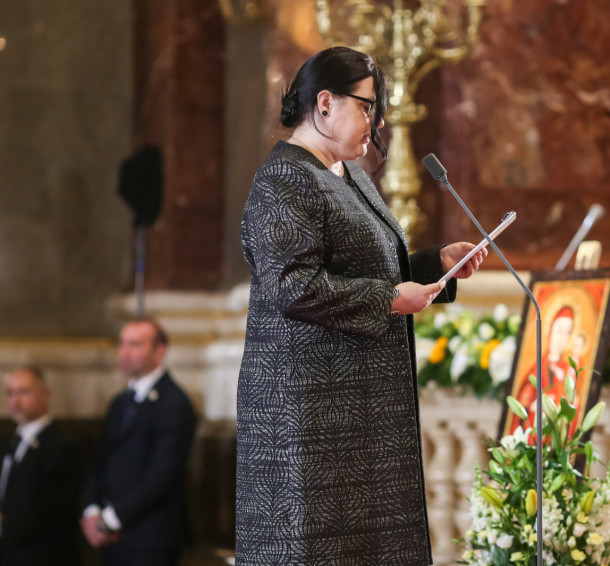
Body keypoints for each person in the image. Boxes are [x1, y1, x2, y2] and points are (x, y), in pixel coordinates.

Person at [236, 46, 486, 566]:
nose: (377, 123)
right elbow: (292, 286)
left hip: (358, 415)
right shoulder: (283, 179)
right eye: (368, 107)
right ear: (324, 103)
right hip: (309, 420)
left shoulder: (349, 175)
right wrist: (389, 299)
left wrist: (435, 264)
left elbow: (365, 267)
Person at [81, 318, 196, 566]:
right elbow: (100, 462)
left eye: (135, 344)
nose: (124, 352)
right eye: (122, 344)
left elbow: (162, 476)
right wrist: (92, 511)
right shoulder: (119, 403)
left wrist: (109, 520)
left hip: (150, 540)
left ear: (159, 351)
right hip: (110, 540)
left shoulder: (174, 403)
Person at [0, 366, 83, 566]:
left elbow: (57, 512)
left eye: (23, 392)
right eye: (10, 393)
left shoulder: (63, 448)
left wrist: (6, 525)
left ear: (45, 395)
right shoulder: (9, 445)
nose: (15, 401)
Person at [510, 307, 576, 436]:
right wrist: (535, 405)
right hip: (534, 433)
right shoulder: (536, 370)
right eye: (559, 331)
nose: (562, 338)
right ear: (550, 331)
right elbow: (521, 406)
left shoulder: (568, 370)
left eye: (567, 332)